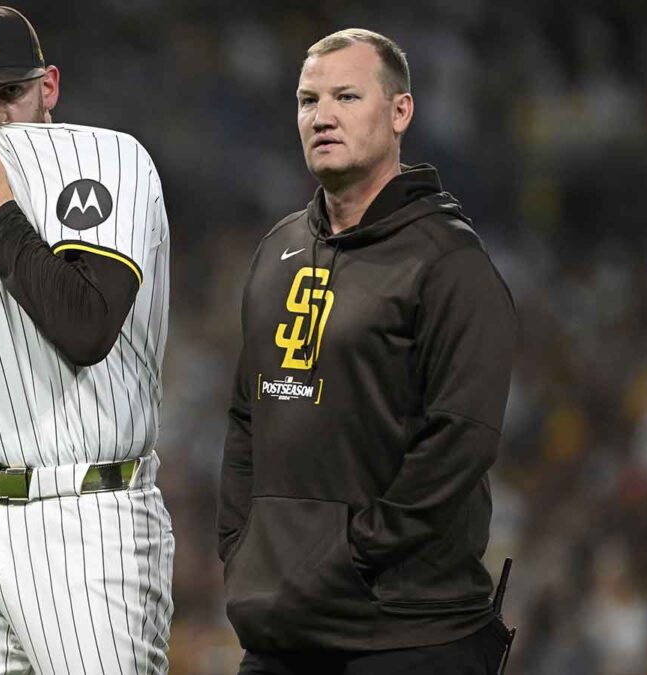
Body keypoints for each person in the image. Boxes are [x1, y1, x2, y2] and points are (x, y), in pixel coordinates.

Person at [217, 28, 517, 674]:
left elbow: (462, 440)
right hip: (284, 628)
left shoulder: (448, 262)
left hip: (408, 630)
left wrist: (353, 554)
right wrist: (242, 545)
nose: (322, 116)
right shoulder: (277, 249)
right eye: (308, 100)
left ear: (400, 111)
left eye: (347, 96)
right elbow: (247, 415)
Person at [0, 5, 174, 674]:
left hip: (86, 516)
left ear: (48, 87)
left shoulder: (107, 158)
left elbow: (87, 328)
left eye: (11, 91)